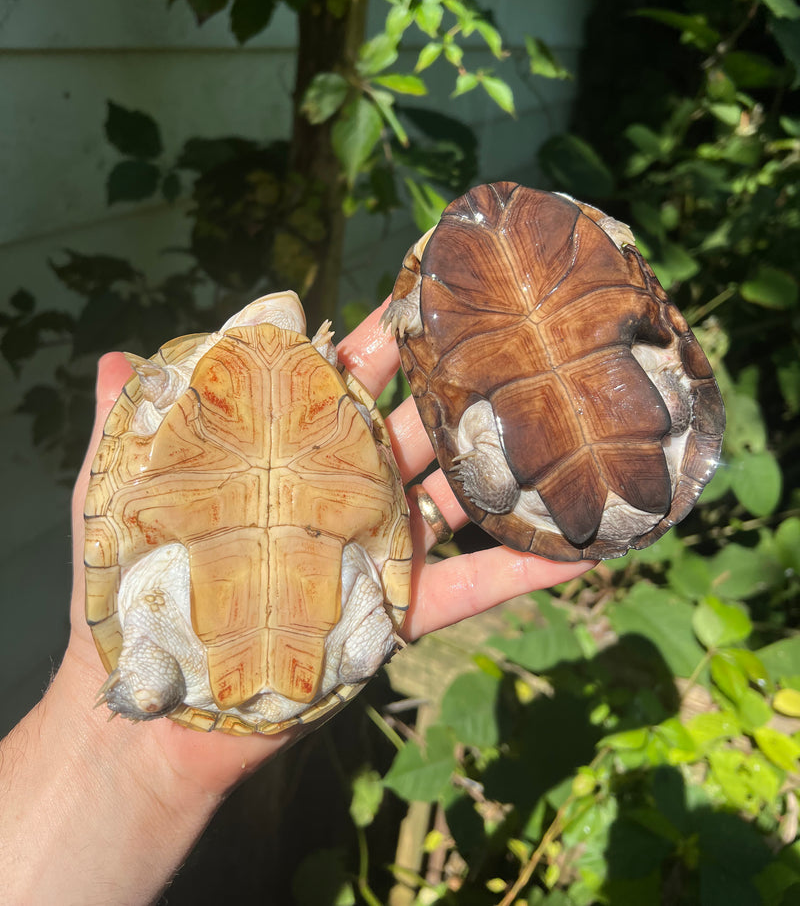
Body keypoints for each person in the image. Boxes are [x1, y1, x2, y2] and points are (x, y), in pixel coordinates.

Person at [0, 300, 592, 905]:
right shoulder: (313, 377)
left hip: (189, 617)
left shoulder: (177, 380)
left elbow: (130, 438)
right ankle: (341, 647)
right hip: (298, 616)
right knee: (364, 631)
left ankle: (163, 667)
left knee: (176, 643)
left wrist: (149, 387)